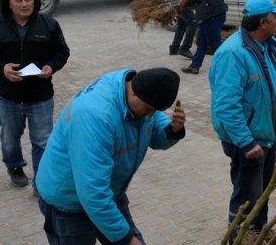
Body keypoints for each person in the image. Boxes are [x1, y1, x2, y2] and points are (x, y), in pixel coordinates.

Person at [36, 68, 184, 244]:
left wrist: (172, 130)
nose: (151, 115)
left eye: (156, 110)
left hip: (108, 192)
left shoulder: (140, 94)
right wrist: (126, 239)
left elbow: (155, 133)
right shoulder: (96, 116)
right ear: (135, 93)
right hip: (69, 201)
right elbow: (92, 191)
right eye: (149, 109)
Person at [209, 0, 276, 240]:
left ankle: (259, 231)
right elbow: (226, 106)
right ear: (263, 23)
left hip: (264, 131)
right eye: (275, 17)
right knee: (247, 194)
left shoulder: (265, 44)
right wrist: (246, 142)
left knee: (263, 189)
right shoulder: (233, 54)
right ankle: (240, 236)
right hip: (247, 139)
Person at [0, 0, 70, 188]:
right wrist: (2, 68)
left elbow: (62, 52)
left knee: (43, 141)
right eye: (18, 0)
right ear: (9, 4)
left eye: (28, 0)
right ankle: (15, 166)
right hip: (8, 96)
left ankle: (41, 181)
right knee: (9, 139)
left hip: (40, 96)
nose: (24, 4)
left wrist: (50, 67)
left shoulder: (49, 24)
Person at [179, 0, 228, 74]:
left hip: (214, 15)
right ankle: (195, 66)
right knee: (201, 41)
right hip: (210, 14)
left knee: (214, 43)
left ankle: (230, 63)